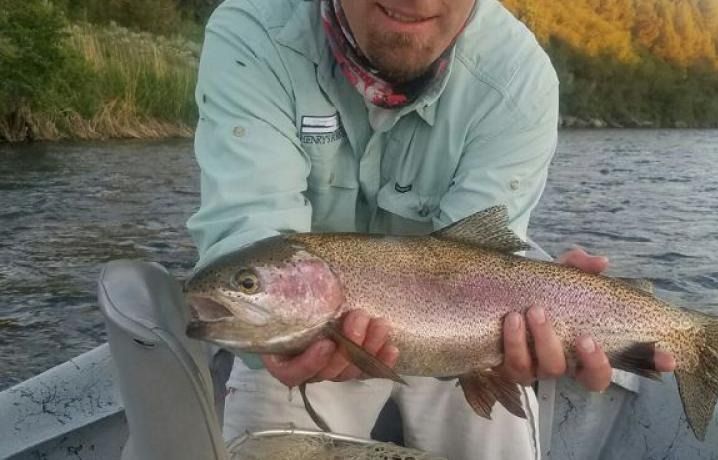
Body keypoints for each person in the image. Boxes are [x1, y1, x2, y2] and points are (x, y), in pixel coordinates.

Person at [187, 0, 676, 458]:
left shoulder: (518, 77)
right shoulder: (255, 31)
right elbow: (248, 231)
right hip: (298, 347)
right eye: (248, 285)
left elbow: (480, 255)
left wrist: (552, 299)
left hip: (464, 329)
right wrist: (274, 337)